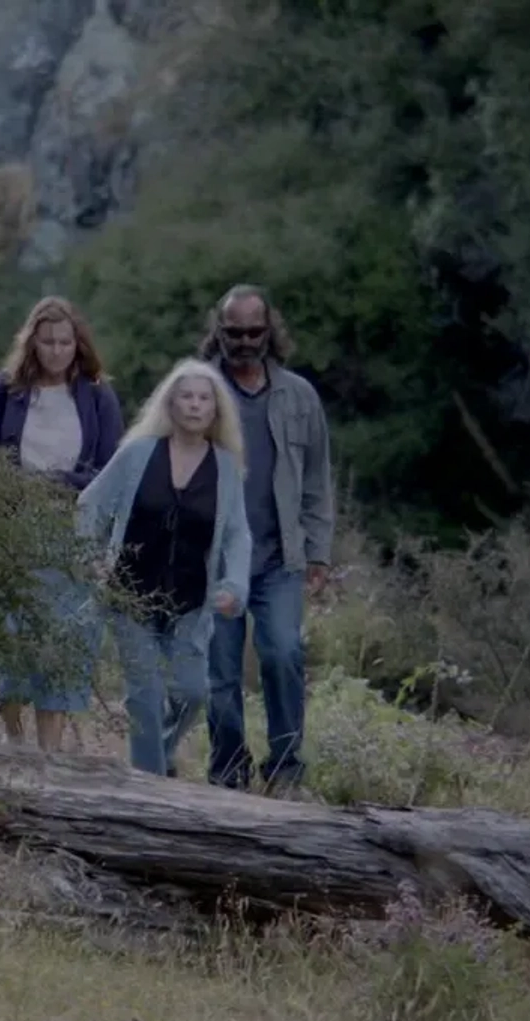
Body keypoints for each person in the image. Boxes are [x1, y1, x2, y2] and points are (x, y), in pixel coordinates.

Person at [77, 359, 251, 778]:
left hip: (192, 600)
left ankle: (158, 752)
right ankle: (148, 782)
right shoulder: (138, 453)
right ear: (170, 404)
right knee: (145, 693)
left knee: (192, 692)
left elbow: (237, 536)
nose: (194, 405)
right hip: (130, 592)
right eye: (186, 396)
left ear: (216, 410)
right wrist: (92, 558)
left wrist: (234, 586)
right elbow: (90, 504)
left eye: (204, 398)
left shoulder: (225, 467)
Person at [0, 296, 124, 753]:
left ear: (79, 344)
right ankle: (13, 739)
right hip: (14, 527)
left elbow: (111, 468)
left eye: (65, 342)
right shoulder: (4, 390)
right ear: (32, 343)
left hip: (74, 531)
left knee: (63, 638)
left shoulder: (99, 395)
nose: (56, 351)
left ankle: (51, 753)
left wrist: (61, 483)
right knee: (12, 633)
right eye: (47, 342)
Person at [197, 285, 335, 794]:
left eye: (255, 331)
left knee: (283, 656)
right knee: (221, 673)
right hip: (216, 558)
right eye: (234, 332)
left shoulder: (299, 395)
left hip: (280, 557)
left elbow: (318, 479)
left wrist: (319, 550)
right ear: (220, 331)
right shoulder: (199, 391)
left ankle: (285, 769)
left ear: (270, 331)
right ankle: (228, 769)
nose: (245, 341)